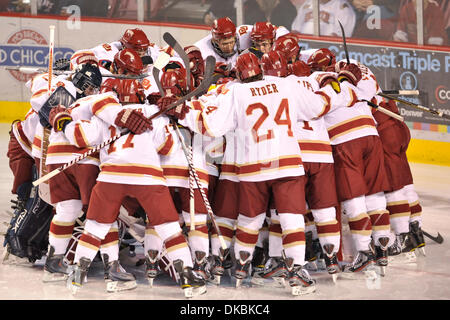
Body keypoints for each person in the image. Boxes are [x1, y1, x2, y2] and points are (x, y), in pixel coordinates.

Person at [161, 51, 366, 295]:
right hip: (286, 162)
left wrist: (181, 111)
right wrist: (345, 84)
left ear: (239, 74)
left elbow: (212, 126)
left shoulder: (235, 92)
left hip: (251, 167)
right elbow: (321, 104)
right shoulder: (286, 85)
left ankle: (241, 268)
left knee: (250, 220)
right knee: (292, 218)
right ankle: (296, 270)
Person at [58, 79, 206, 298]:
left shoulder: (106, 115)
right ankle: (186, 274)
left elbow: (81, 137)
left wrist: (63, 121)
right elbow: (168, 147)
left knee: (95, 228)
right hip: (148, 178)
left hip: (111, 177)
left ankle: (78, 273)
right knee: (169, 229)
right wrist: (168, 122)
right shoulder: (154, 112)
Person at [291, 0, 356, 37]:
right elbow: (295, 30)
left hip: (327, 53)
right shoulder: (308, 3)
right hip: (304, 49)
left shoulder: (342, 8)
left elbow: (338, 40)